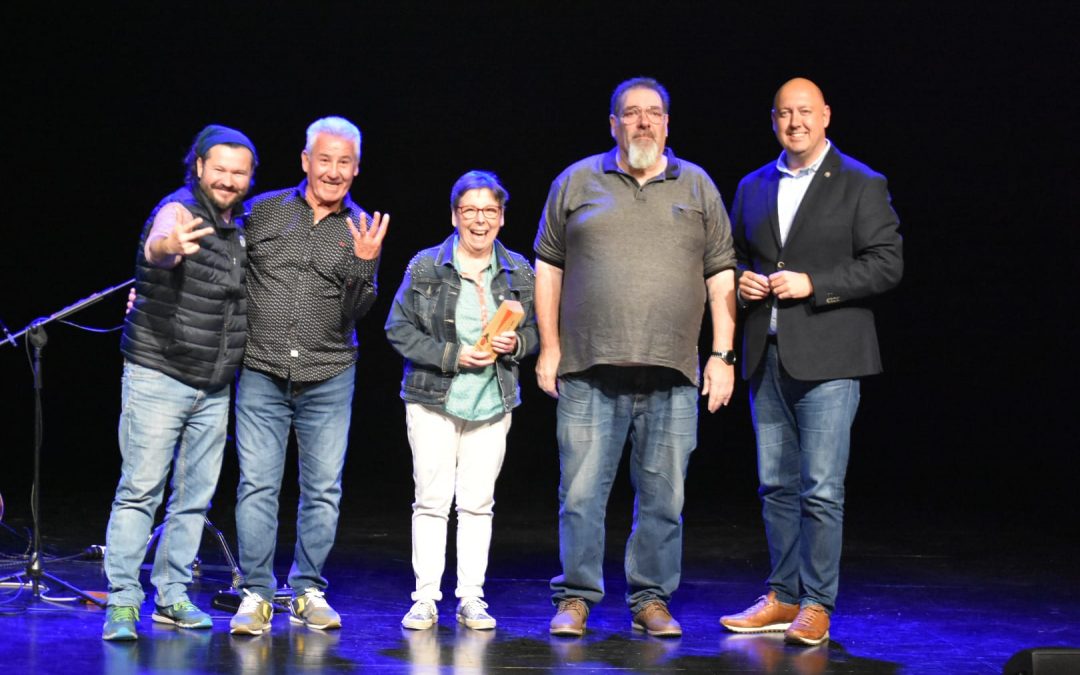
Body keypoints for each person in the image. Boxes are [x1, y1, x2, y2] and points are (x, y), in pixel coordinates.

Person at [534, 77, 737, 638]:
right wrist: (549, 347)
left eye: (653, 114)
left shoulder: (696, 186)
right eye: (631, 114)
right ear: (613, 124)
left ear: (667, 124)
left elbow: (722, 275)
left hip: (672, 373)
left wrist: (722, 354)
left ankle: (650, 599)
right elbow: (547, 269)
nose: (643, 122)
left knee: (665, 499)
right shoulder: (576, 181)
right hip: (588, 370)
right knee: (579, 495)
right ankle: (576, 597)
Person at [719, 78, 903, 646]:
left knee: (821, 487)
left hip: (830, 356)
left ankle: (817, 603)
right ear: (773, 120)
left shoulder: (860, 182)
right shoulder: (753, 184)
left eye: (805, 111)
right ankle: (783, 595)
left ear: (825, 115)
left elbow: (887, 264)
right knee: (775, 485)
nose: (794, 121)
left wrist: (814, 283)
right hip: (766, 354)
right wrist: (743, 282)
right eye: (784, 113)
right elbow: (732, 254)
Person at [228, 116, 389, 635]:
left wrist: (364, 265)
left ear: (356, 169)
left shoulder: (361, 228)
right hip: (261, 369)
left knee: (322, 488)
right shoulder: (262, 211)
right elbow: (224, 273)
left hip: (328, 372)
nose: (334, 171)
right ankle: (255, 593)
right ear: (305, 161)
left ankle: (306, 589)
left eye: (345, 163)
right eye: (325, 159)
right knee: (258, 484)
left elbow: (356, 312)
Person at [103, 124, 258, 641]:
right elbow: (160, 245)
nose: (229, 181)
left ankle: (171, 597)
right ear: (198, 167)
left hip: (213, 385)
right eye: (220, 170)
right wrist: (169, 244)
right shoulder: (178, 210)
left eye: (239, 173)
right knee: (139, 492)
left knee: (193, 498)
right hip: (158, 375)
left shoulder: (242, 228)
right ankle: (123, 602)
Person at [386, 170, 538, 632]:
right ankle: (426, 599)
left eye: (489, 211)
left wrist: (519, 345)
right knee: (431, 501)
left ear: (502, 218)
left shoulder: (518, 271)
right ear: (454, 216)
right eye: (470, 210)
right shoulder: (426, 266)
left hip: (492, 402)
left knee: (477, 504)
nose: (479, 220)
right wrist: (453, 355)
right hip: (434, 400)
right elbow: (398, 328)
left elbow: (536, 330)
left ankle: (471, 597)